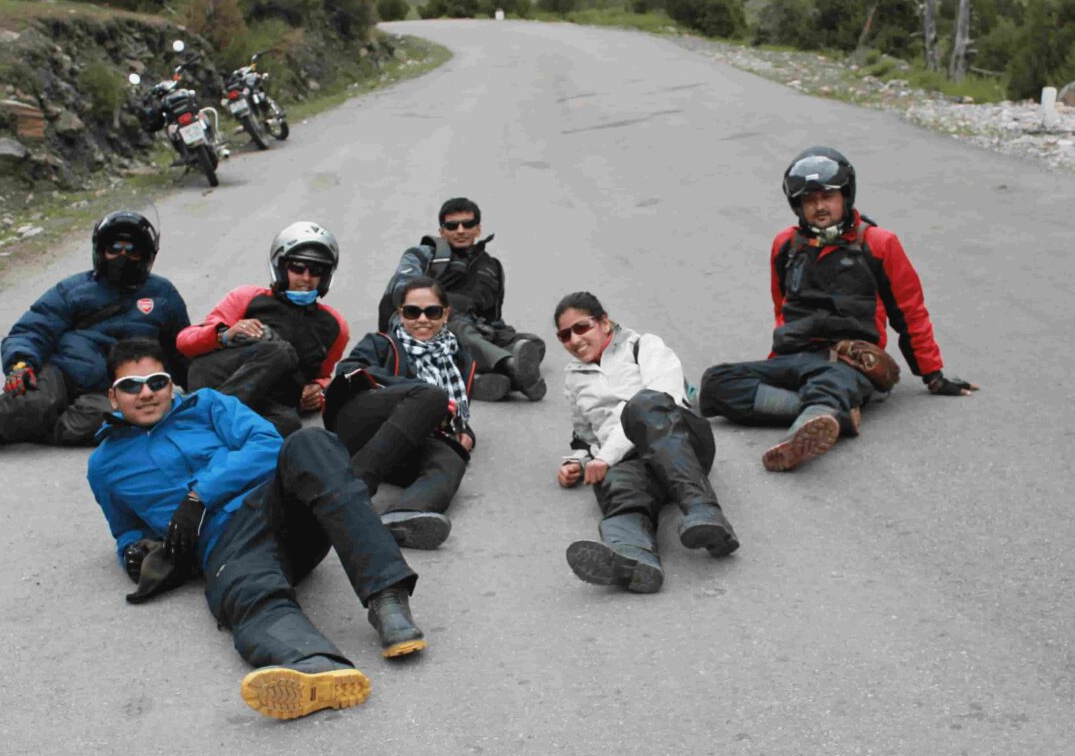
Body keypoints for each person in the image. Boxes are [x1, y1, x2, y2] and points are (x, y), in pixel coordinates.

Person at [86, 338, 425, 722]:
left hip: (280, 508)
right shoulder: (105, 466)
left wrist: (200, 495)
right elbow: (124, 529)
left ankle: (388, 600)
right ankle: (313, 665)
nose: (146, 393)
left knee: (310, 442)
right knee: (246, 591)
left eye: (156, 382)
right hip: (225, 544)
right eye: (131, 386)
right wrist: (134, 551)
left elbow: (267, 444)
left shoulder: (210, 405)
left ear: (171, 385)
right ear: (113, 397)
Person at [699, 146, 978, 471]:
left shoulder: (878, 243)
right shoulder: (786, 246)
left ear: (845, 196)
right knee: (716, 383)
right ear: (797, 205)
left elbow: (909, 311)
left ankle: (800, 436)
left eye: (828, 196)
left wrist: (933, 374)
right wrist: (779, 365)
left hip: (848, 362)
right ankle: (833, 413)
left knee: (829, 380)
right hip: (796, 358)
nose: (819, 206)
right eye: (809, 199)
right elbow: (782, 306)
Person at [0, 210, 190, 459]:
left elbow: (182, 348)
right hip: (62, 374)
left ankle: (34, 431)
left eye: (133, 249)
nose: (123, 256)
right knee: (29, 401)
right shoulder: (73, 290)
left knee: (118, 419)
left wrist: (199, 390)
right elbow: (31, 329)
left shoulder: (163, 295)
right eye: (115, 247)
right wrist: (20, 364)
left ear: (147, 255)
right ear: (100, 251)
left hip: (117, 388)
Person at [555, 291, 739, 594]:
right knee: (617, 483)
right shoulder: (573, 378)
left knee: (642, 406)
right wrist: (577, 462)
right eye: (564, 336)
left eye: (581, 328)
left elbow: (665, 397)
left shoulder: (643, 346)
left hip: (678, 440)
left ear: (604, 322)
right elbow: (586, 436)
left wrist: (606, 455)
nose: (574, 340)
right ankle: (631, 555)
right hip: (629, 461)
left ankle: (705, 513)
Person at [325, 277, 477, 551]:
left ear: (445, 314)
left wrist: (463, 433)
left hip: (402, 442)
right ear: (400, 315)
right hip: (361, 423)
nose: (422, 319)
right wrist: (420, 391)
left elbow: (455, 413)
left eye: (431, 312)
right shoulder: (382, 343)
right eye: (412, 312)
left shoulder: (457, 358)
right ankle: (353, 489)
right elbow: (349, 369)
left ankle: (401, 516)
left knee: (452, 461)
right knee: (432, 396)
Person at [175, 222, 349, 438]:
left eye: (316, 270)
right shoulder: (247, 297)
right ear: (281, 267)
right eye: (297, 267)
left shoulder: (335, 326)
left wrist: (318, 390)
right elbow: (184, 341)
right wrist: (225, 334)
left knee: (290, 425)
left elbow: (322, 375)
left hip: (271, 398)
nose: (306, 278)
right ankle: (205, 419)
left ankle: (217, 435)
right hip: (218, 379)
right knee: (280, 351)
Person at [378, 196, 547, 401]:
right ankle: (509, 368)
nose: (460, 230)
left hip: (474, 327)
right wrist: (436, 303)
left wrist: (502, 335)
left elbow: (493, 317)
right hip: (429, 323)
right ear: (442, 231)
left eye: (468, 224)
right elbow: (402, 288)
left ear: (478, 229)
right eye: (452, 225)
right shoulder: (423, 254)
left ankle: (476, 377)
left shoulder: (491, 267)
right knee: (456, 326)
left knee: (532, 343)